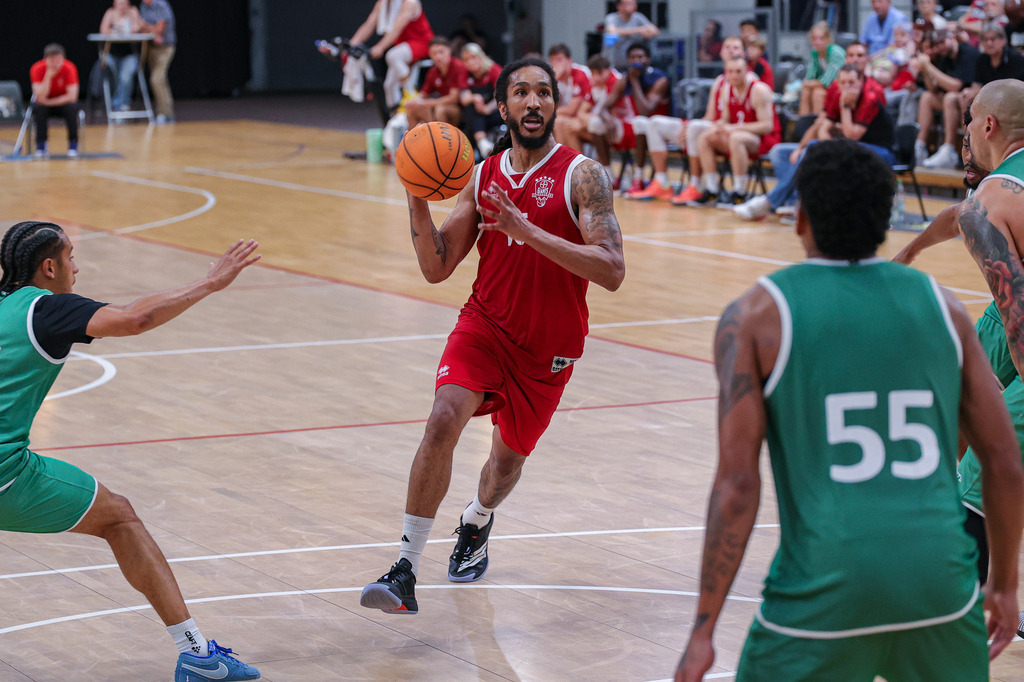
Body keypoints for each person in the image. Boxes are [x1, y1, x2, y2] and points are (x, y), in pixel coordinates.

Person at [674, 138, 1024, 682]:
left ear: (800, 218)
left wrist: (702, 631)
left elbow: (737, 487)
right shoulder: (944, 308)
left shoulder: (757, 315)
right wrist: (1002, 584)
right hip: (939, 584)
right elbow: (1003, 462)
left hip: (825, 585)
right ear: (887, 220)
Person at [359, 57, 625, 615]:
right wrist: (414, 192)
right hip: (484, 326)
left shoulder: (583, 175)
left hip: (548, 350)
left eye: (544, 93)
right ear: (502, 107)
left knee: (503, 468)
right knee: (442, 418)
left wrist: (527, 231)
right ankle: (405, 567)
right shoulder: (480, 176)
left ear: (554, 105)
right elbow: (437, 268)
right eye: (522, 93)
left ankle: (477, 521)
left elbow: (612, 269)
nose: (534, 102)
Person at [0, 222, 263, 681]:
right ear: (48, 267)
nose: (76, 268)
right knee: (120, 517)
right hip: (8, 476)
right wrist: (211, 282)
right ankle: (197, 655)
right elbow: (135, 319)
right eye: (70, 258)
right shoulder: (47, 310)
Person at [688, 56, 781, 207]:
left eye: (738, 71)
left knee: (736, 137)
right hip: (738, 139)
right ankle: (712, 189)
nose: (734, 75)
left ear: (747, 71)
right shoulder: (726, 89)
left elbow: (767, 126)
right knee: (705, 137)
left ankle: (740, 191)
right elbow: (725, 120)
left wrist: (734, 128)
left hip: (764, 140)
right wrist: (717, 127)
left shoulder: (759, 90)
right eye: (730, 72)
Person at [593, 42, 670, 196]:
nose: (636, 61)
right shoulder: (624, 80)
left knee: (640, 122)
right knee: (596, 123)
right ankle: (609, 176)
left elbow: (645, 111)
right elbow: (603, 107)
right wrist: (608, 120)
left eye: (640, 57)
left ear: (648, 59)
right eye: (632, 57)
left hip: (659, 130)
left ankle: (638, 178)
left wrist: (634, 81)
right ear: (627, 60)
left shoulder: (660, 79)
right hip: (635, 129)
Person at [343, 0, 434, 111]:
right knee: (389, 86)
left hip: (421, 43)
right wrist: (351, 45)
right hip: (401, 47)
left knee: (393, 55)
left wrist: (380, 47)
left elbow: (396, 30)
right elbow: (369, 25)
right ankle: (394, 116)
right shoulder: (382, 3)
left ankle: (410, 92)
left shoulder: (410, 3)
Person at [915, 28, 980, 167]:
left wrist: (928, 66)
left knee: (950, 97)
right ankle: (919, 147)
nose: (939, 47)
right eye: (936, 45)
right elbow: (933, 88)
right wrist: (925, 70)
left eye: (942, 43)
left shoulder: (967, 52)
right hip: (956, 101)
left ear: (952, 38)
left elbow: (956, 86)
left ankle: (948, 149)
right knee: (927, 96)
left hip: (974, 99)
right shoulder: (945, 57)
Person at [29, 44, 80, 158]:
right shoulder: (37, 68)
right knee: (39, 109)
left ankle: (73, 144)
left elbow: (72, 96)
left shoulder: (69, 68)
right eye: (52, 60)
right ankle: (41, 145)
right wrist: (48, 76)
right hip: (45, 104)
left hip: (61, 104)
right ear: (45, 60)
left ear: (63, 59)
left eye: (58, 60)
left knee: (72, 107)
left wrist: (49, 102)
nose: (56, 64)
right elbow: (40, 95)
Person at [404, 37, 468, 127]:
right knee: (413, 109)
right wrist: (414, 101)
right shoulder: (433, 71)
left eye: (441, 52)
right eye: (434, 53)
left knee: (440, 109)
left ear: (449, 51)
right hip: (438, 106)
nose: (438, 57)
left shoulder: (458, 66)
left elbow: (453, 98)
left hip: (460, 110)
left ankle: (446, 139)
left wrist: (426, 102)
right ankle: (415, 139)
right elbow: (423, 93)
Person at [99, 0, 145, 112]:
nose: (122, 6)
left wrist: (130, 24)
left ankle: (122, 103)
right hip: (112, 53)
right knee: (112, 75)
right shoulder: (110, 13)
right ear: (115, 4)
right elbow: (103, 30)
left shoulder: (133, 11)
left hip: (129, 54)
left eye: (124, 3)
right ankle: (114, 103)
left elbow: (138, 27)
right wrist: (115, 28)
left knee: (125, 76)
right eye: (120, 3)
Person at [459, 42, 503, 158]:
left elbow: (501, 95)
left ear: (481, 56)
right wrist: (475, 98)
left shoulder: (493, 70)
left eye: (473, 57)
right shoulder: (465, 73)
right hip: (478, 112)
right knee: (471, 107)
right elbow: (464, 98)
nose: (470, 62)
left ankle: (475, 146)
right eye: (466, 59)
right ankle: (482, 143)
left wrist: (487, 109)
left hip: (494, 111)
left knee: (471, 124)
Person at [548, 43, 593, 148]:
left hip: (588, 116)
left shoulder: (580, 74)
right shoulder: (553, 79)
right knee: (557, 122)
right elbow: (551, 105)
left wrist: (549, 113)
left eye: (559, 60)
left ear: (569, 60)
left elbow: (572, 110)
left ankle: (574, 162)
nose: (556, 64)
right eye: (553, 60)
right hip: (569, 118)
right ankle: (566, 162)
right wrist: (553, 82)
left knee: (559, 122)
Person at [139, 0, 177, 125]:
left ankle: (165, 113)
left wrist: (146, 26)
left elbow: (159, 29)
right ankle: (166, 113)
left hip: (165, 47)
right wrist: (149, 29)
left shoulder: (161, 5)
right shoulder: (143, 6)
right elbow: (141, 28)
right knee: (161, 81)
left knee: (156, 79)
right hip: (151, 47)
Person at [800, 22, 846, 115]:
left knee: (818, 93)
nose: (817, 42)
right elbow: (810, 77)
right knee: (806, 92)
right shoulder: (815, 53)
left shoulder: (836, 53)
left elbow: (827, 82)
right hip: (825, 87)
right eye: (814, 39)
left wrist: (808, 83)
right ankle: (803, 125)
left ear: (828, 39)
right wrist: (808, 83)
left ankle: (818, 125)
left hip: (841, 87)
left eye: (821, 38)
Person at [602, 0, 659, 70]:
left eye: (634, 4)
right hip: (615, 64)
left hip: (635, 65)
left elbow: (654, 30)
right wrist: (639, 30)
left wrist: (647, 34)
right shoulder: (612, 18)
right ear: (619, 6)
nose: (633, 6)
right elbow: (611, 31)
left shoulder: (638, 17)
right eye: (629, 4)